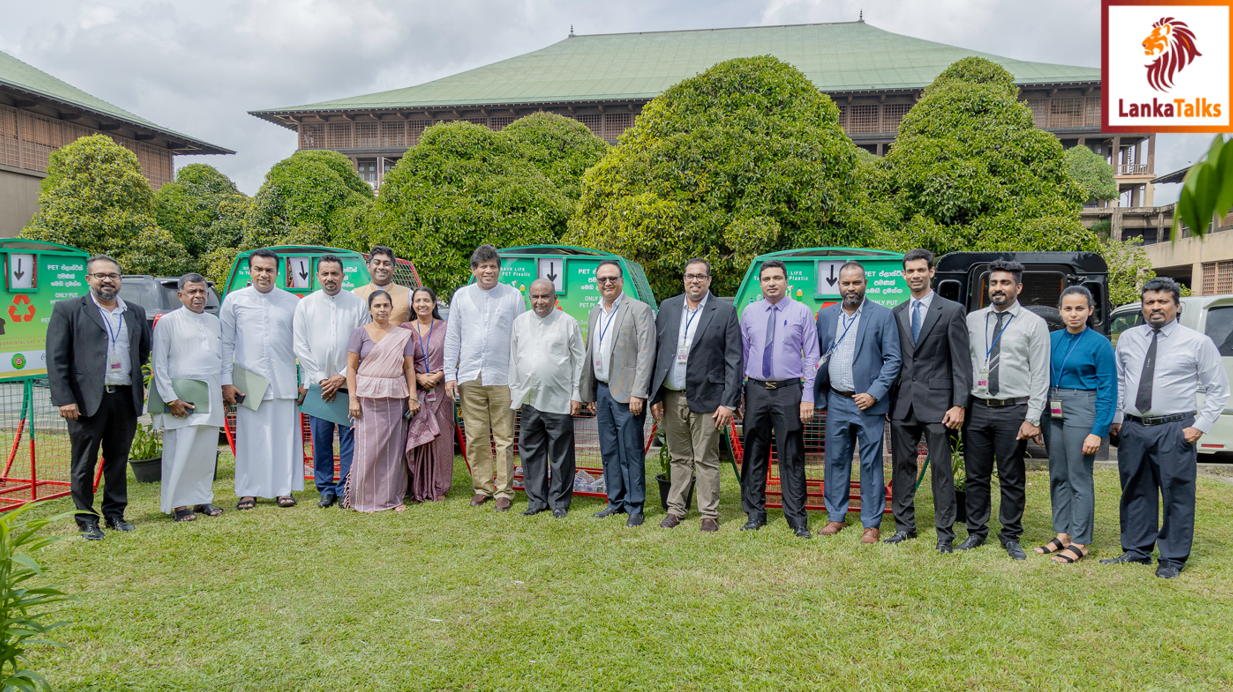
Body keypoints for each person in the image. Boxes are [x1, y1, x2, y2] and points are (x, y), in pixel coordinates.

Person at [1104, 277, 1230, 578]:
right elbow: (1120, 381)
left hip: (1175, 429)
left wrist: (1199, 427)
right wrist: (1118, 418)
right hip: (1134, 428)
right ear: (1143, 306)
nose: (1156, 307)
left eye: (1163, 302)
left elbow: (1219, 389)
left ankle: (1172, 557)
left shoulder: (1197, 342)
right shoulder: (1129, 339)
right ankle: (1136, 550)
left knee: (1178, 492)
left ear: (1177, 306)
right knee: (1134, 489)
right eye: (1150, 302)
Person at [46, 255, 151, 540]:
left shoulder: (135, 312)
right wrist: (64, 399)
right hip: (85, 401)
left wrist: (137, 384)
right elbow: (57, 359)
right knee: (84, 463)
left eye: (113, 275)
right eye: (101, 275)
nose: (107, 280)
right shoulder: (68, 309)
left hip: (123, 397)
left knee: (117, 460)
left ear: (120, 279)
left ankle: (115, 514)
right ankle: (86, 519)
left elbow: (142, 352)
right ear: (89, 279)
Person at [960, 259, 1050, 560]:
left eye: (1005, 283)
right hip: (977, 407)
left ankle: (1010, 535)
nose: (998, 288)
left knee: (1012, 475)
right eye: (994, 283)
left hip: (1014, 409)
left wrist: (1033, 417)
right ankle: (976, 531)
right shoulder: (972, 320)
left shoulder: (1033, 323)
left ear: (1018, 287)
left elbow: (1040, 374)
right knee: (976, 474)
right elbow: (963, 365)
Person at [649, 259, 743, 532]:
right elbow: (657, 351)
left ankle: (708, 514)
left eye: (701, 276)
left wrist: (729, 401)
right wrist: (653, 394)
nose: (695, 281)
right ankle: (676, 509)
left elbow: (734, 360)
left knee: (706, 457)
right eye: (690, 276)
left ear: (709, 280)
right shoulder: (667, 307)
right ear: (684, 279)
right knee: (679, 456)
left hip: (709, 398)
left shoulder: (724, 311)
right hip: (671, 396)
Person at [887, 249, 971, 553]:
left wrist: (959, 404)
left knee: (941, 471)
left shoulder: (951, 311)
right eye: (909, 271)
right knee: (901, 468)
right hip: (902, 405)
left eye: (920, 270)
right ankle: (904, 527)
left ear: (932, 272)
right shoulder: (896, 313)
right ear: (904, 275)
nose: (915, 276)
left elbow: (962, 363)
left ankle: (944, 534)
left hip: (939, 406)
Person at [815, 262, 902, 543]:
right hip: (837, 402)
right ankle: (835, 517)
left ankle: (871, 523)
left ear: (865, 283)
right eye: (845, 283)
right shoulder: (827, 315)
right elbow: (817, 356)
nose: (850, 288)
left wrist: (874, 393)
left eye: (856, 283)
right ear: (838, 285)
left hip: (868, 404)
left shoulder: (883, 315)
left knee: (871, 464)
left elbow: (893, 360)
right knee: (835, 461)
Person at [1033, 286, 1116, 564]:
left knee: (1079, 476)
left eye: (1080, 308)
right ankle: (1063, 534)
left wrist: (1098, 430)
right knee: (1058, 474)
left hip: (1083, 407)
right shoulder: (1052, 338)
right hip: (1052, 407)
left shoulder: (1100, 343)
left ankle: (1080, 540)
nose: (1073, 314)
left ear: (1090, 311)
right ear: (1059, 311)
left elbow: (1108, 390)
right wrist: (1038, 417)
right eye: (1068, 308)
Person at [739, 259, 820, 538]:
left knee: (792, 455)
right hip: (756, 390)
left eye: (777, 278)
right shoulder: (749, 313)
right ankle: (754, 513)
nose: (771, 283)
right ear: (759, 283)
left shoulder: (802, 312)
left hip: (789, 391)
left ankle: (797, 518)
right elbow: (743, 355)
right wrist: (740, 392)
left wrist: (807, 395)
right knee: (753, 453)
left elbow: (811, 356)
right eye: (766, 279)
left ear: (787, 282)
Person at [444, 244, 526, 511]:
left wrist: (520, 377)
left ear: (499, 270)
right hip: (470, 376)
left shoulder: (513, 296)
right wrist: (450, 375)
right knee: (476, 435)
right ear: (474, 269)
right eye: (483, 266)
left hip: (503, 376)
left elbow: (520, 339)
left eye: (493, 266)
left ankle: (504, 491)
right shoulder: (461, 296)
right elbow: (453, 336)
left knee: (504, 437)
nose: (488, 271)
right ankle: (482, 488)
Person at [221, 248, 303, 510]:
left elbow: (302, 346)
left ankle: (282, 489)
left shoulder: (292, 302)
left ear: (277, 273)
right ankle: (248, 490)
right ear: (251, 271)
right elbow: (225, 344)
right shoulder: (234, 301)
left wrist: (305, 381)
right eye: (259, 269)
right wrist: (225, 381)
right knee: (250, 438)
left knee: (284, 436)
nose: (264, 274)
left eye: (269, 269)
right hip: (248, 382)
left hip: (283, 380)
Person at [580, 260, 656, 527]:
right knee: (609, 450)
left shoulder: (639, 310)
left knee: (632, 451)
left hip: (628, 394)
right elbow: (592, 354)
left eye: (612, 278)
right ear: (597, 283)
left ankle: (635, 506)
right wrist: (589, 392)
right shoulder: (595, 311)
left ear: (621, 280)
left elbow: (647, 353)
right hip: (601, 391)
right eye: (602, 279)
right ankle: (616, 502)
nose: (607, 283)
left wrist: (639, 392)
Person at [293, 254, 370, 508]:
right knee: (321, 439)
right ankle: (326, 488)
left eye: (334, 273)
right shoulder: (305, 305)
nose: (329, 278)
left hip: (348, 383)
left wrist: (341, 375)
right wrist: (321, 378)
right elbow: (300, 345)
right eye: (324, 274)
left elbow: (362, 343)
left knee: (349, 438)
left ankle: (346, 486)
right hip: (319, 386)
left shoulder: (357, 305)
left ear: (342, 276)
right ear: (317, 276)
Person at [150, 274, 225, 523]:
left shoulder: (214, 321)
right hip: (182, 397)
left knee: (205, 451)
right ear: (180, 295)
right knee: (179, 450)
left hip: (211, 393)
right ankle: (178, 504)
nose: (198, 296)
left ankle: (203, 499)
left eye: (202, 291)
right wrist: (171, 399)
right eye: (192, 291)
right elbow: (159, 364)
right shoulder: (168, 322)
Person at [508, 279, 585, 519]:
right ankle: (536, 501)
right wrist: (515, 392)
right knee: (531, 451)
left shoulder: (567, 323)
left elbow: (580, 361)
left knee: (561, 454)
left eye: (545, 296)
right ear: (529, 298)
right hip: (529, 399)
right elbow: (513, 359)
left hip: (559, 400)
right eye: (535, 297)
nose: (540, 301)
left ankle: (559, 502)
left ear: (554, 298)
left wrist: (577, 395)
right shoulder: (520, 323)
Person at [345, 291, 419, 513]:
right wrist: (352, 399)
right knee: (367, 449)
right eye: (377, 306)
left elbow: (408, 368)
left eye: (386, 305)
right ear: (369, 309)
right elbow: (351, 367)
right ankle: (363, 498)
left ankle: (393, 498)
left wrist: (413, 397)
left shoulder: (402, 335)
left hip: (394, 398)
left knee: (393, 450)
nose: (382, 310)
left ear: (392, 308)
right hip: (366, 398)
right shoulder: (359, 333)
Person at [402, 287, 453, 503]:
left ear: (434, 303)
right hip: (415, 388)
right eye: (417, 300)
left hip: (440, 388)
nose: (422, 304)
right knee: (417, 434)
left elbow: (454, 355)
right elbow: (402, 361)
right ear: (412, 305)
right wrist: (419, 378)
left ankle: (439, 486)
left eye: (426, 300)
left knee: (441, 436)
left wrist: (440, 374)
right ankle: (417, 484)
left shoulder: (446, 327)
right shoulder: (404, 329)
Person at [353, 246, 411, 325]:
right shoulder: (355, 295)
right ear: (368, 266)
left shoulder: (408, 295)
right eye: (377, 263)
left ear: (394, 269)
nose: (381, 267)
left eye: (386, 264)